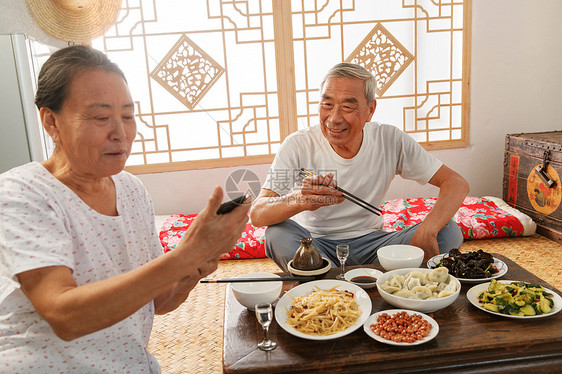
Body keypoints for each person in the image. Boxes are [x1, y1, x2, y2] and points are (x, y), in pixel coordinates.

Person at [0, 45, 250, 373]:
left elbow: (158, 301)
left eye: (128, 116)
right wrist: (185, 254)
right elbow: (65, 316)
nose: (120, 133)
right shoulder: (22, 193)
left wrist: (193, 270)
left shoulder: (131, 189)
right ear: (51, 121)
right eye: (101, 117)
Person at [250, 62, 470, 272]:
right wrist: (300, 200)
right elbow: (258, 213)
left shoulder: (390, 139)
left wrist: (428, 229)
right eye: (327, 105)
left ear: (370, 110)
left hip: (376, 246)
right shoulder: (297, 145)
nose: (334, 118)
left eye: (347, 107)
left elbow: (456, 183)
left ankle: (326, 277)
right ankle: (365, 276)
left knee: (447, 230)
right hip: (315, 244)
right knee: (277, 235)